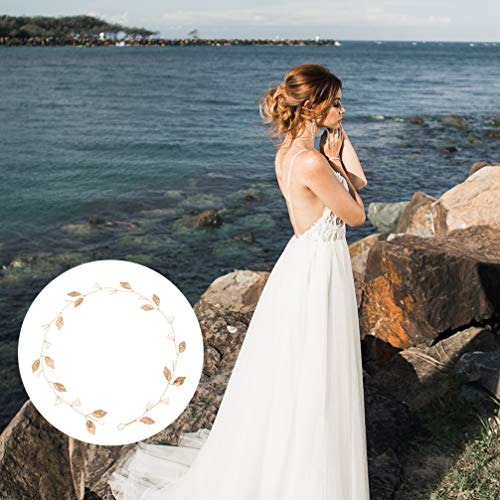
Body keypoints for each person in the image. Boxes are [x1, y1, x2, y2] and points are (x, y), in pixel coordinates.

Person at [108, 63, 371, 499]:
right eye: (337, 102)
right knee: (315, 367)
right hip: (319, 268)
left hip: (301, 262)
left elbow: (354, 182)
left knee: (296, 370)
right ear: (315, 105)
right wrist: (337, 159)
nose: (343, 110)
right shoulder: (311, 161)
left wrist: (340, 154)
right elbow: (358, 213)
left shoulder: (290, 153)